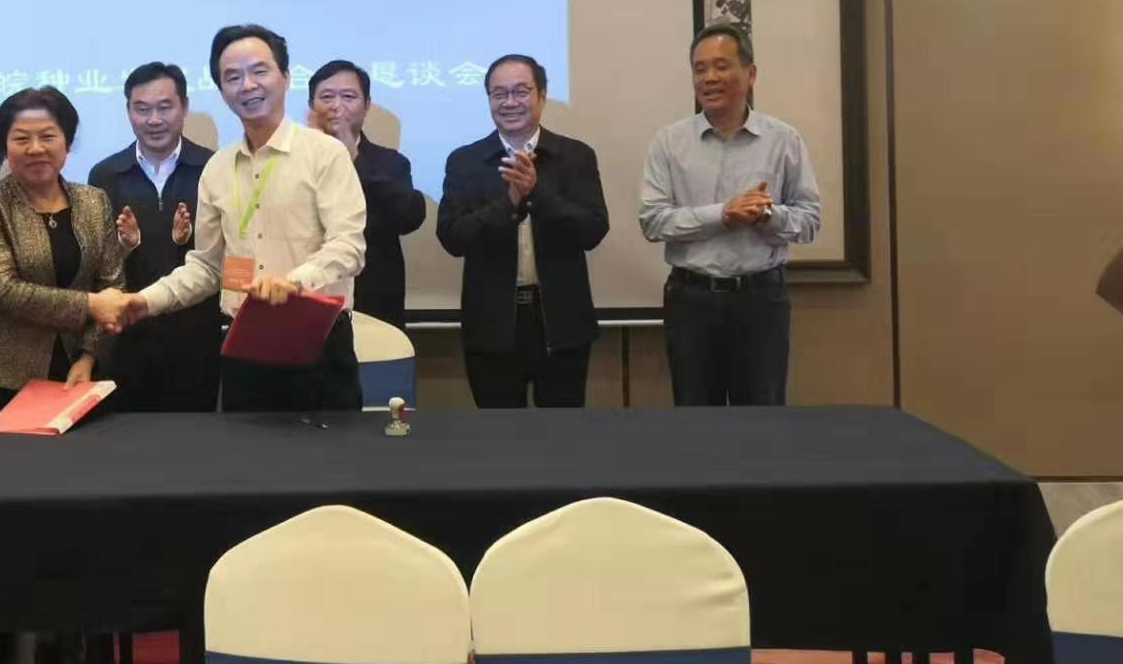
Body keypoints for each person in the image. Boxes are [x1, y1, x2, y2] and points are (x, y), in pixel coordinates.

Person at [123, 24, 368, 412]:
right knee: (245, 451)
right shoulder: (217, 168)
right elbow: (207, 266)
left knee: (330, 453)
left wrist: (292, 283)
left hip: (317, 343)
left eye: (259, 71)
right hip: (245, 347)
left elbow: (349, 247)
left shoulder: (325, 154)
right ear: (222, 90)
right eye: (232, 77)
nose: (247, 85)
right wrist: (145, 301)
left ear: (285, 77)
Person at [640, 24, 822, 407]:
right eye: (699, 69)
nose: (709, 78)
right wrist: (722, 214)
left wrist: (767, 214)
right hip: (691, 301)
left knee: (760, 420)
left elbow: (810, 221)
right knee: (696, 419)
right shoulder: (669, 142)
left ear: (750, 74)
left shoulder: (783, 140)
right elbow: (653, 221)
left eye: (721, 66)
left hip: (761, 301)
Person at [436, 54, 609, 409]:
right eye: (499, 94)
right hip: (491, 326)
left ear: (542, 96)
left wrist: (537, 194)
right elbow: (452, 237)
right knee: (499, 434)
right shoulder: (466, 161)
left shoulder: (574, 156)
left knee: (561, 432)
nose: (510, 102)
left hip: (562, 324)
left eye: (520, 91)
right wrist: (509, 202)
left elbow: (593, 230)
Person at [0, 87, 129, 415]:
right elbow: (2, 290)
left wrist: (89, 356)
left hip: (79, 374)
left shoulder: (94, 201)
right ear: (4, 147)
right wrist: (90, 304)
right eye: (22, 139)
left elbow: (112, 285)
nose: (36, 148)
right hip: (3, 378)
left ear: (67, 142)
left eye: (48, 136)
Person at [87, 63, 224, 412]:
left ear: (184, 107)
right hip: (126, 339)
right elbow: (96, 263)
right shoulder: (106, 175)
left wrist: (186, 242)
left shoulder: (214, 168)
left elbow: (224, 255)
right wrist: (124, 246)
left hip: (197, 337)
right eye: (142, 109)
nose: (154, 120)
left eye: (165, 107)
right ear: (128, 111)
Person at [307, 60, 426, 329]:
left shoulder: (391, 163)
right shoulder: (290, 159)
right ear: (312, 106)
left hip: (374, 303)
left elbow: (409, 217)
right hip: (306, 296)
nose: (337, 105)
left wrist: (352, 156)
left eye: (349, 97)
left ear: (367, 105)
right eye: (327, 97)